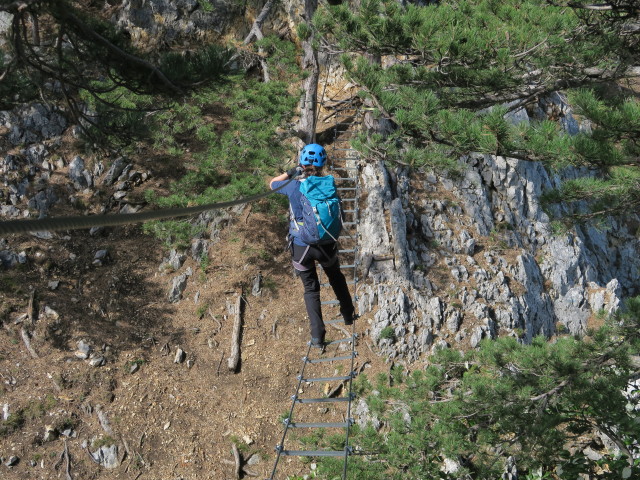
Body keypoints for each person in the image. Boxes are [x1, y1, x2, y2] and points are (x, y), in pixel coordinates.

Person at [269, 143, 356, 348]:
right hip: (326, 244)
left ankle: (318, 337)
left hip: (301, 246)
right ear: (323, 163)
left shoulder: (292, 186)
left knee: (311, 289)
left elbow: (272, 184)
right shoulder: (329, 183)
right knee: (335, 276)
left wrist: (291, 172)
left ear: (301, 161)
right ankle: (348, 313)